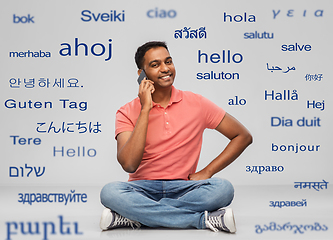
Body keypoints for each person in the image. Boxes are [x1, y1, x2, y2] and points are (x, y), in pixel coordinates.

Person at [99, 41, 252, 233]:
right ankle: (202, 220)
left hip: (185, 188)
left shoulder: (197, 103)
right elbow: (129, 164)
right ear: (142, 75)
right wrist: (145, 108)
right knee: (110, 192)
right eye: (155, 65)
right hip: (141, 189)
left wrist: (206, 172)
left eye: (168, 62)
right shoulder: (126, 111)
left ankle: (134, 215)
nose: (165, 69)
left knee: (223, 188)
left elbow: (242, 136)